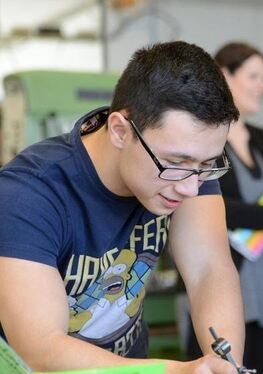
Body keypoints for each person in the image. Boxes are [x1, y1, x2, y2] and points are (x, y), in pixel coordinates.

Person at [0, 41, 245, 373]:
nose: (190, 187)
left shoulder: (189, 170)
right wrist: (176, 371)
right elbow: (42, 350)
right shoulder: (28, 194)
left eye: (207, 164)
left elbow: (209, 270)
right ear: (119, 130)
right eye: (176, 162)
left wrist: (225, 365)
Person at [184, 41, 263, 373]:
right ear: (225, 76)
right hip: (228, 276)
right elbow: (204, 201)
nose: (262, 86)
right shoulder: (205, 140)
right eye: (254, 76)